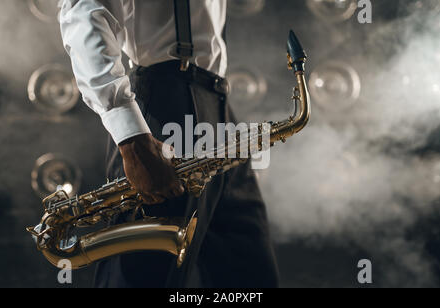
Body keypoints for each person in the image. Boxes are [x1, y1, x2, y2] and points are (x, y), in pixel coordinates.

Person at [59, 0, 279, 288]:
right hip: (165, 104)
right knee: (142, 276)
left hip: (218, 104)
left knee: (250, 277)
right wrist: (132, 138)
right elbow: (84, 13)